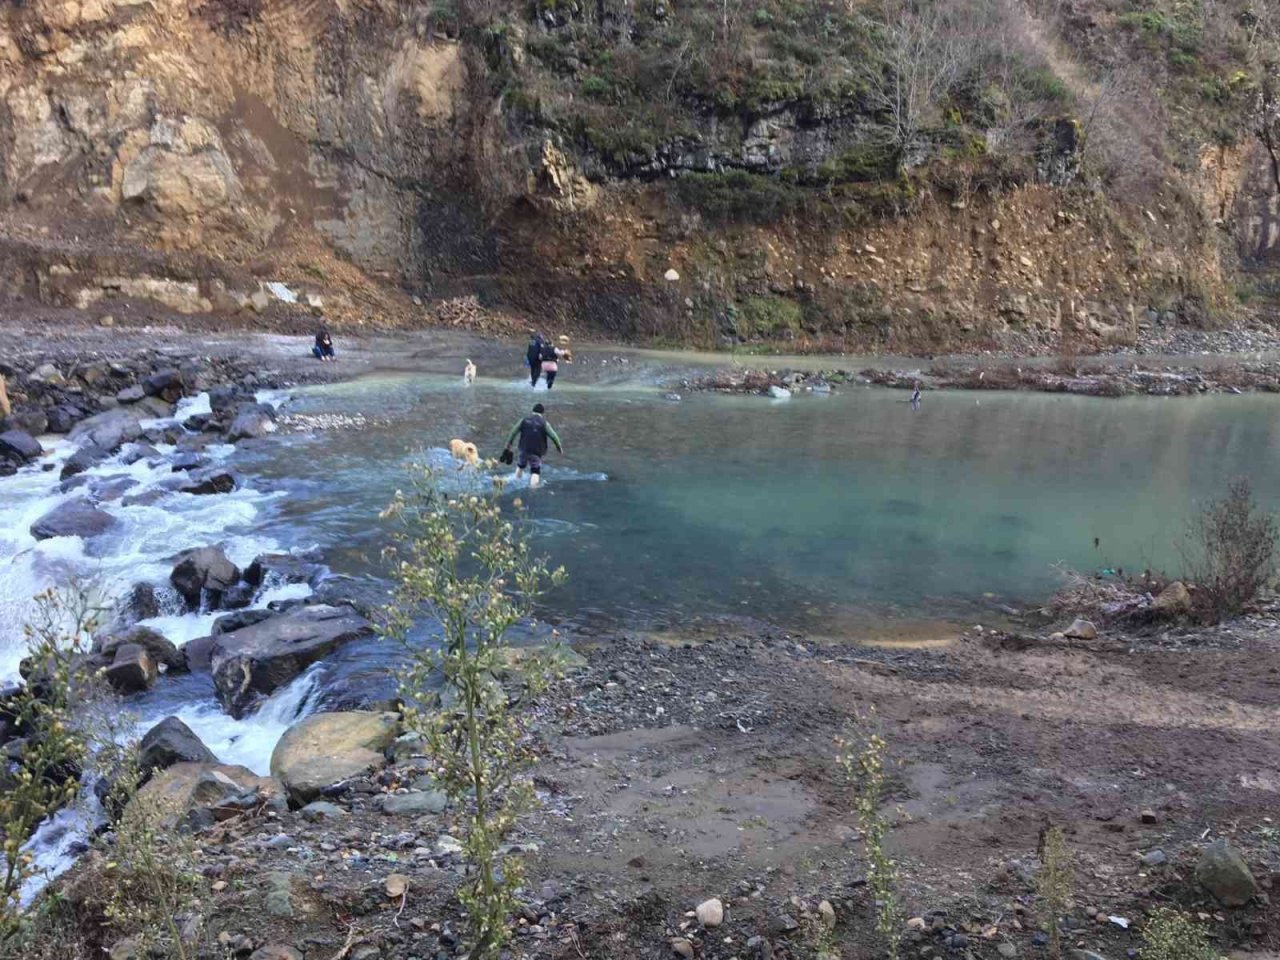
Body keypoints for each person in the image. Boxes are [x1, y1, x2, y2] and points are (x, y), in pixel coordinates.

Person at [503, 402, 563, 489]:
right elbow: (554, 436)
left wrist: (508, 444)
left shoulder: (523, 420)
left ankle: (515, 481)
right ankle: (533, 488)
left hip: (524, 449)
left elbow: (513, 432)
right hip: (536, 451)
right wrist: (559, 447)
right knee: (535, 471)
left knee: (520, 466)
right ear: (542, 413)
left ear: (532, 411)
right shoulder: (544, 423)